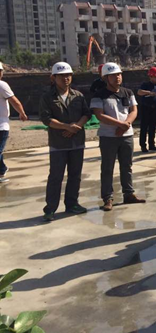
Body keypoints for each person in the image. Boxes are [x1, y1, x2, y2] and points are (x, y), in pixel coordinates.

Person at [90, 63, 145, 211]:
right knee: (107, 168)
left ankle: (129, 193)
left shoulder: (128, 92)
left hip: (126, 135)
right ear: (106, 78)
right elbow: (99, 115)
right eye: (113, 75)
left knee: (127, 166)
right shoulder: (99, 95)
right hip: (108, 136)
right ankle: (107, 198)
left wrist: (126, 124)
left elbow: (134, 110)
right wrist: (120, 125)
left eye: (119, 74)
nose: (117, 77)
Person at [40, 62, 91, 221]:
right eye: (61, 76)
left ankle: (72, 204)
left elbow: (86, 113)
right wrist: (66, 127)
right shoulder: (47, 97)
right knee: (56, 176)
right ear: (53, 78)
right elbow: (46, 119)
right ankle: (50, 209)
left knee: (75, 175)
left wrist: (77, 127)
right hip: (58, 143)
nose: (65, 78)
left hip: (77, 141)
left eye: (68, 75)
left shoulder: (78, 95)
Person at [0, 61, 28, 184]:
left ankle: (1, 170)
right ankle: (2, 169)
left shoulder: (2, 85)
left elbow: (14, 101)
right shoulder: (2, 85)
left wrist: (22, 112)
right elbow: (14, 101)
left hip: (1, 125)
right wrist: (22, 113)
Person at [137, 67, 156, 152]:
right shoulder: (145, 85)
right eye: (155, 77)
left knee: (153, 127)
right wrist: (149, 93)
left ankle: (152, 144)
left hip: (155, 108)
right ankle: (143, 145)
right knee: (144, 127)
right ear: (151, 77)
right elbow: (139, 92)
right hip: (146, 107)